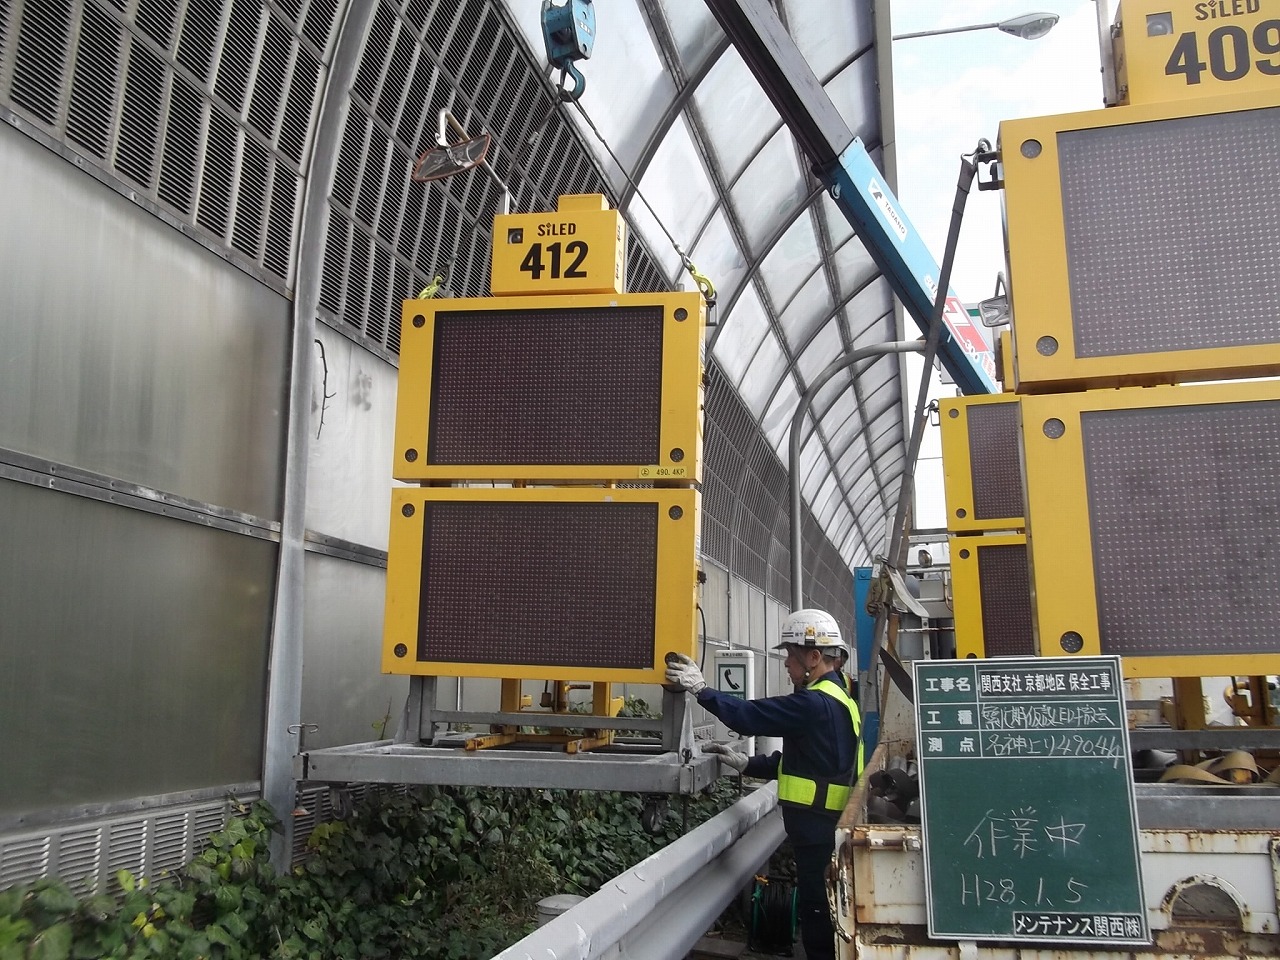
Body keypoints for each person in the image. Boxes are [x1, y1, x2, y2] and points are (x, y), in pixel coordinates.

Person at [665, 609, 863, 960]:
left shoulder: (814, 703)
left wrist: (701, 690)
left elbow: (749, 716)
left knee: (819, 919)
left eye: (791, 655)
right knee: (825, 913)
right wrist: (749, 763)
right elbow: (815, 762)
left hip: (818, 830)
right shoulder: (841, 699)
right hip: (827, 826)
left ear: (814, 657)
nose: (786, 663)